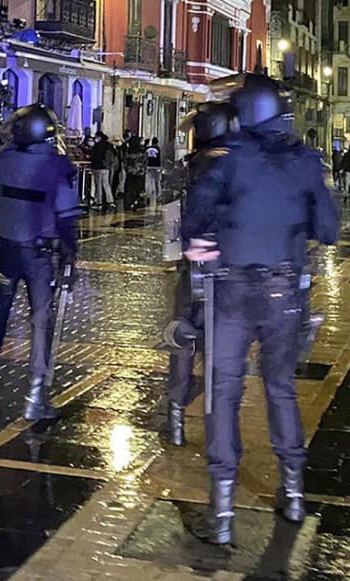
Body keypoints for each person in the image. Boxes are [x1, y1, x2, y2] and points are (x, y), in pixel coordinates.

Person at [181, 75, 338, 545]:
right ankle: (292, 492)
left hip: (230, 291)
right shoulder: (305, 161)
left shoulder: (227, 159)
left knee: (222, 393)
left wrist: (206, 244)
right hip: (283, 291)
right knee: (280, 389)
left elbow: (194, 223)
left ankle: (223, 511)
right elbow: (328, 229)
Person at [0, 104, 82, 421]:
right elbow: (67, 215)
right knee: (41, 323)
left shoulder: (1, 159)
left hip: (4, 249)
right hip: (39, 254)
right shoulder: (56, 165)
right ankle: (35, 395)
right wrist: (70, 255)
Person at [161, 102, 235, 447]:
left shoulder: (187, 168)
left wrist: (175, 258)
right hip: (229, 268)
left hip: (194, 263)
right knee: (222, 347)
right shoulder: (240, 167)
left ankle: (175, 417)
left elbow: (171, 218)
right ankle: (218, 423)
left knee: (181, 338)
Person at [89, 131, 114, 210]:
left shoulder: (98, 146)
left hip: (98, 167)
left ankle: (99, 202)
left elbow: (94, 157)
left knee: (98, 185)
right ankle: (110, 201)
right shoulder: (108, 145)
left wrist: (92, 166)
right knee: (106, 184)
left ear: (99, 137)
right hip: (106, 168)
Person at [124, 136, 147, 210]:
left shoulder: (128, 151)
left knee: (129, 188)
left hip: (130, 173)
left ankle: (130, 202)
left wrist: (127, 169)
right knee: (139, 188)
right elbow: (145, 162)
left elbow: (125, 163)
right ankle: (138, 202)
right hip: (140, 173)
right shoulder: (142, 151)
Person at [145, 137, 163, 208]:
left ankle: (148, 195)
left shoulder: (147, 148)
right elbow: (160, 158)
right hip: (156, 167)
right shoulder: (158, 149)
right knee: (157, 182)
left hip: (148, 166)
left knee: (148, 182)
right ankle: (158, 196)